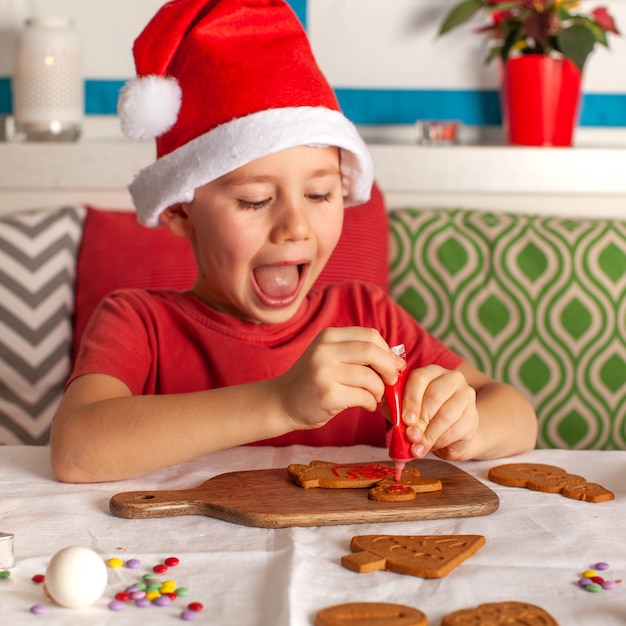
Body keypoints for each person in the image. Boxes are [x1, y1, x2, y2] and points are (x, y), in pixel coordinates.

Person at [50, 0, 537, 483]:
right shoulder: (137, 323)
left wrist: (465, 426)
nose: (295, 227)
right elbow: (75, 450)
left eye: (320, 193)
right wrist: (280, 401)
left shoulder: (369, 317)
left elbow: (517, 414)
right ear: (180, 211)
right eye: (256, 200)